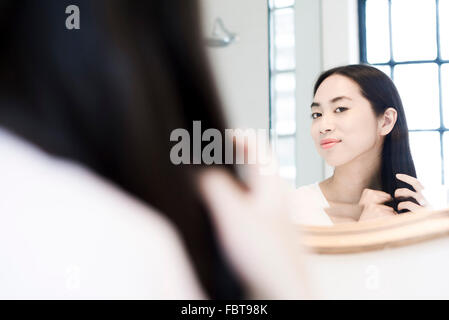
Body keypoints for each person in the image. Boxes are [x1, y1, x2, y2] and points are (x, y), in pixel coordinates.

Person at [0, 0, 306, 299]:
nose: (326, 124)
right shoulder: (129, 248)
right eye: (317, 112)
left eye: (341, 108)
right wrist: (290, 286)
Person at [291, 64, 429, 225]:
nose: (323, 126)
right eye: (317, 114)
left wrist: (423, 234)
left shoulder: (418, 210)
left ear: (386, 121)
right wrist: (363, 232)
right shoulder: (293, 209)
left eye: (340, 109)